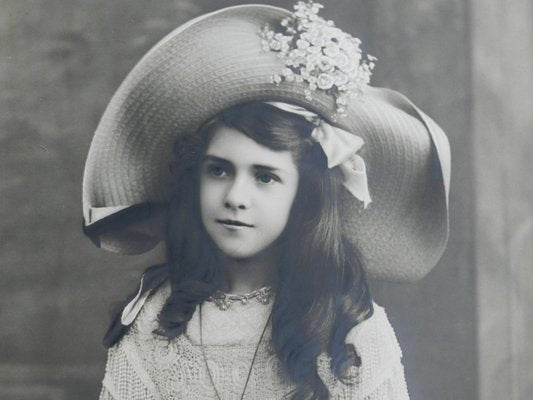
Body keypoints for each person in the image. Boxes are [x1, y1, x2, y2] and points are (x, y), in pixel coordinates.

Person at [82, 2, 450, 399]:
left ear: (303, 195)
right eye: (219, 170)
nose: (236, 198)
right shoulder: (154, 317)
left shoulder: (349, 326)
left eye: (265, 177)